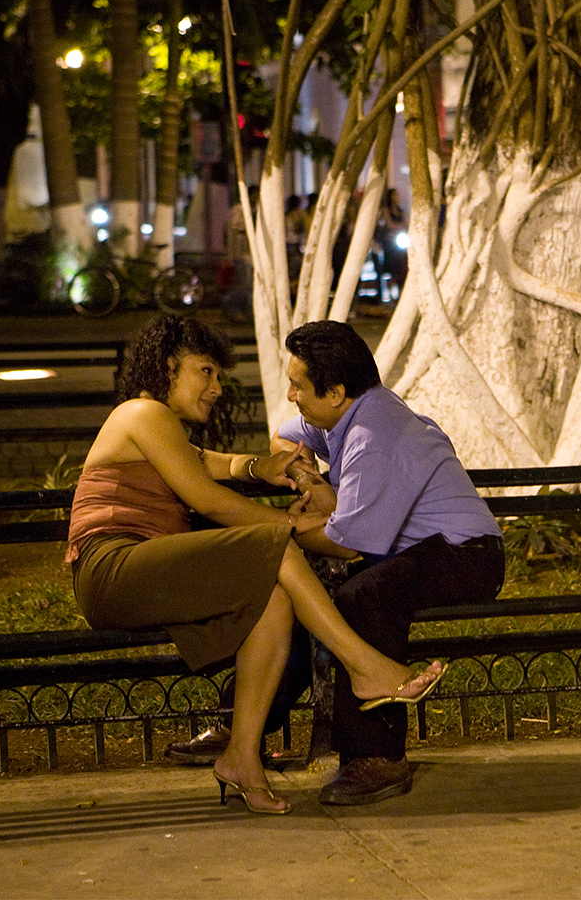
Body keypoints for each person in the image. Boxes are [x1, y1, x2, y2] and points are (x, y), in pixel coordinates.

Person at [66, 314, 445, 814]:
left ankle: (242, 757)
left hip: (144, 566)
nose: (217, 388)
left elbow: (208, 462)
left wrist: (260, 467)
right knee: (275, 549)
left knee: (274, 596)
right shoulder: (143, 413)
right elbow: (209, 499)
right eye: (206, 372)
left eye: (218, 376)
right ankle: (364, 666)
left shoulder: (160, 428)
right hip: (113, 565)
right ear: (168, 367)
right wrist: (292, 528)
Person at [273, 320, 505, 805]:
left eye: (297, 385)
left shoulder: (376, 433)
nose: (291, 394)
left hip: (467, 554)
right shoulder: (346, 414)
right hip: (428, 551)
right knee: (318, 596)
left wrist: (285, 529)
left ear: (334, 392)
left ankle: (377, 758)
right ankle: (246, 721)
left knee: (363, 595)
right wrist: (310, 482)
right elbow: (282, 440)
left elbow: (348, 543)